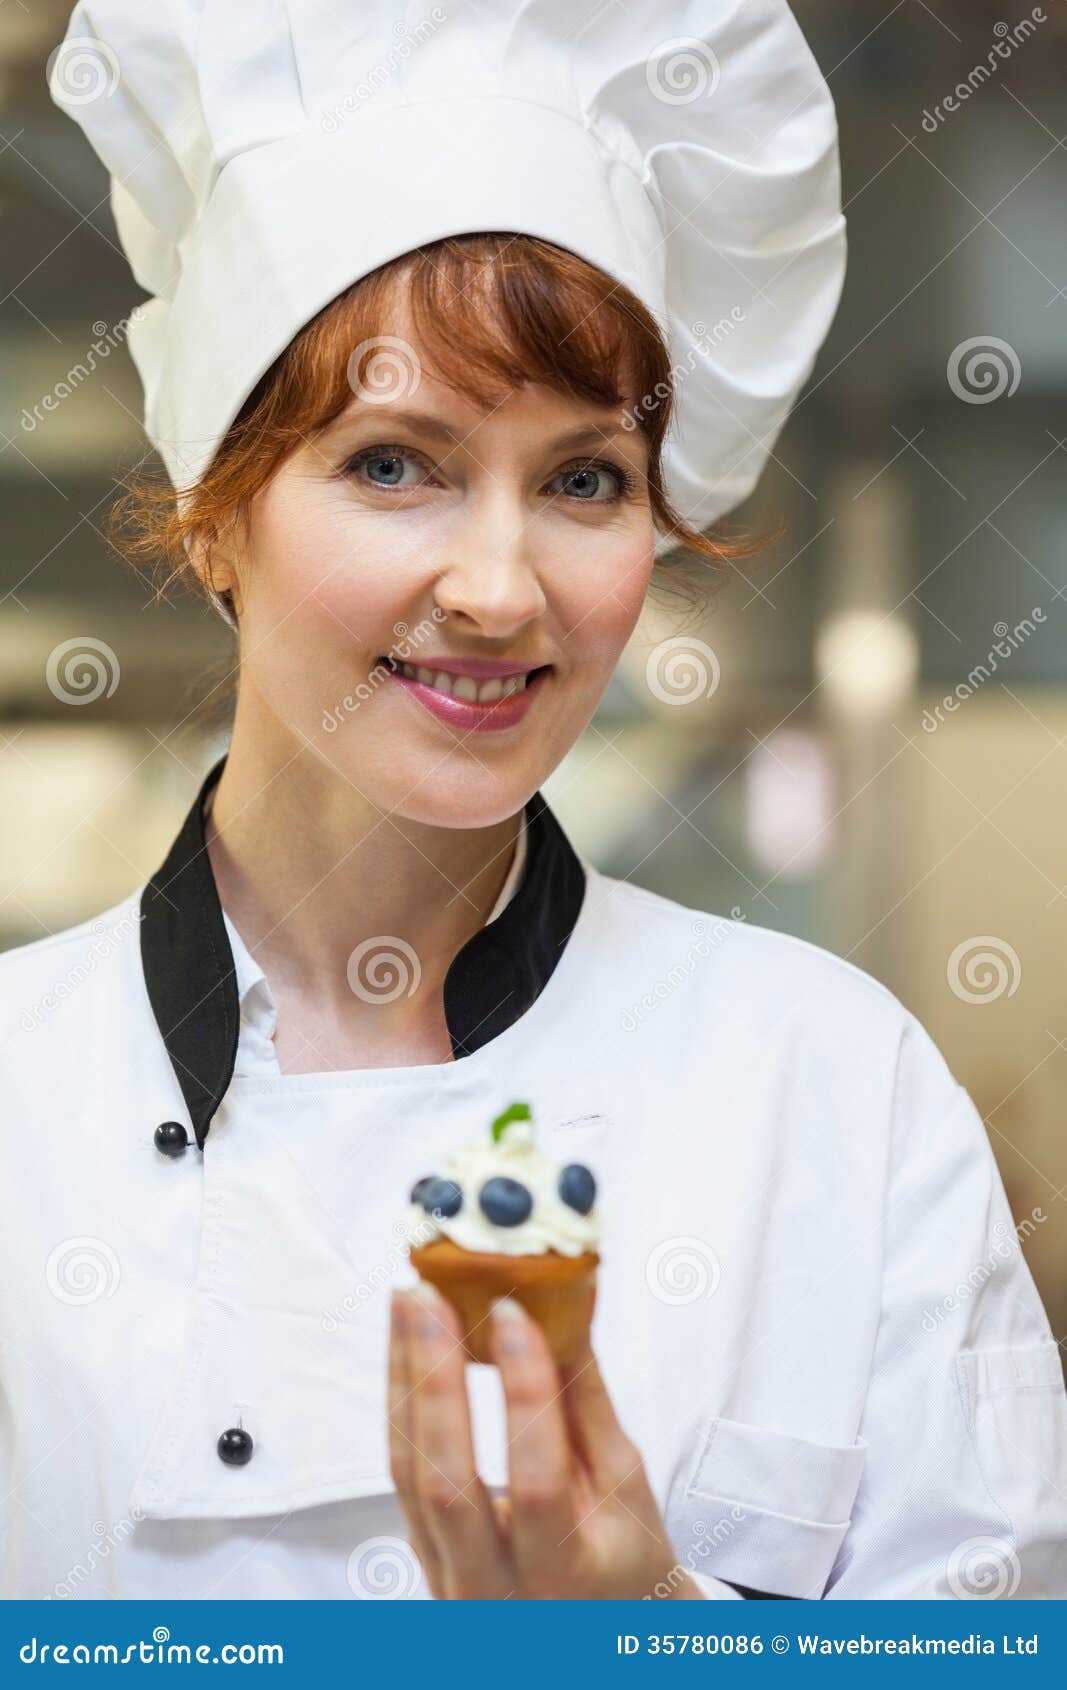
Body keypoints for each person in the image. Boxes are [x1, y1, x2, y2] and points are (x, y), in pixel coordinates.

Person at [2, 0, 1062, 1602]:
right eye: (393, 463)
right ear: (214, 519)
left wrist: (643, 1635)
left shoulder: (840, 1090)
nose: (499, 590)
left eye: (583, 480)